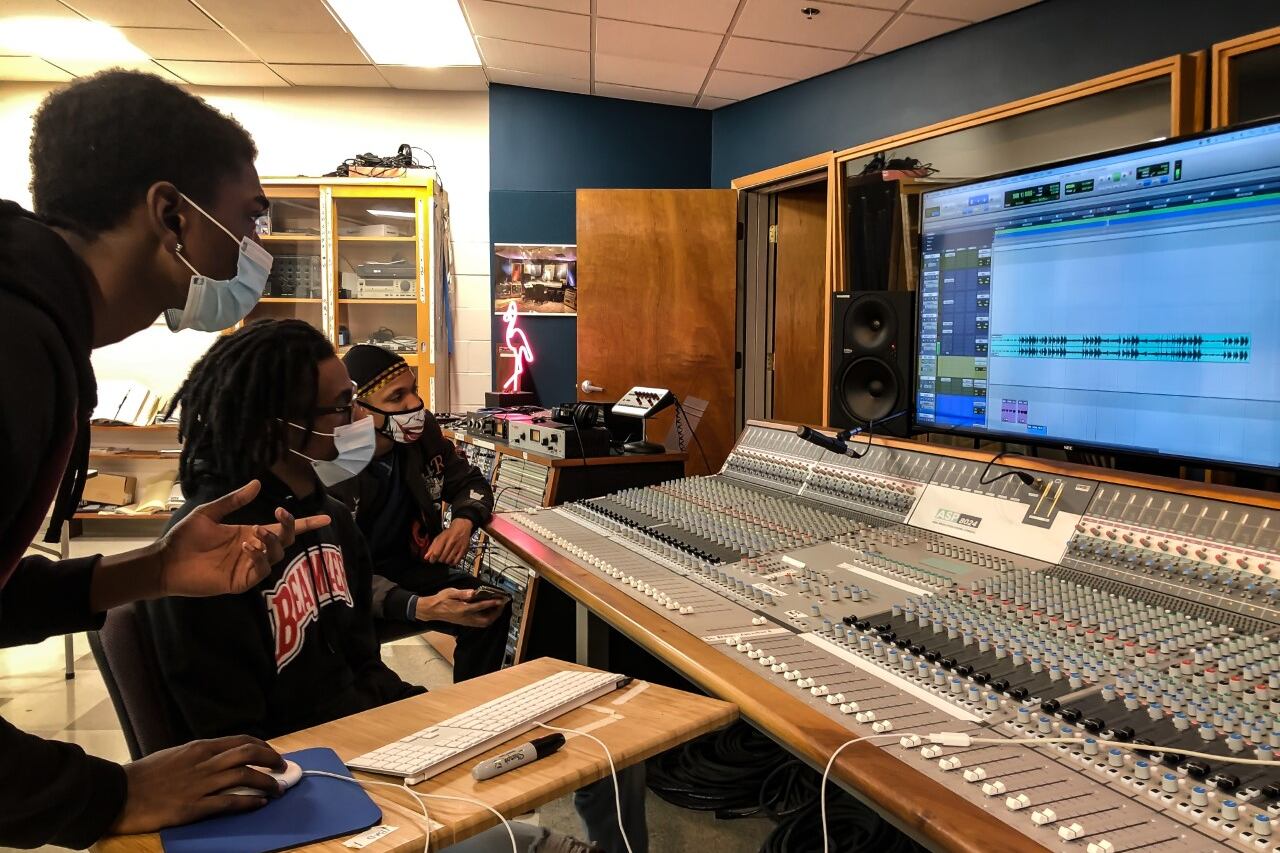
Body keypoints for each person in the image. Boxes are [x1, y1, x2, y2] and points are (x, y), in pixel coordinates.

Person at [0, 71, 331, 849]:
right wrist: (108, 793)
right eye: (250, 218)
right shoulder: (14, 351)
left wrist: (151, 571)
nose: (258, 249)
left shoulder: (38, 328)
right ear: (170, 214)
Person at [146, 319, 613, 853]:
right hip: (309, 798)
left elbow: (365, 670)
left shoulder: (330, 524)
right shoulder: (206, 553)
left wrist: (455, 725)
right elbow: (236, 748)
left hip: (370, 752)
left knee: (595, 745)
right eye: (344, 408)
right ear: (279, 426)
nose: (359, 421)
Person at [338, 344, 508, 681]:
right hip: (350, 588)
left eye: (413, 390)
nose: (414, 404)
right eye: (396, 397)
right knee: (355, 655)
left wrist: (462, 522)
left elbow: (470, 483)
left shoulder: (423, 433)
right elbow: (339, 573)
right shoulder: (334, 459)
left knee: (488, 609)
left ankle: (477, 713)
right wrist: (418, 607)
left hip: (409, 568)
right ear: (358, 409)